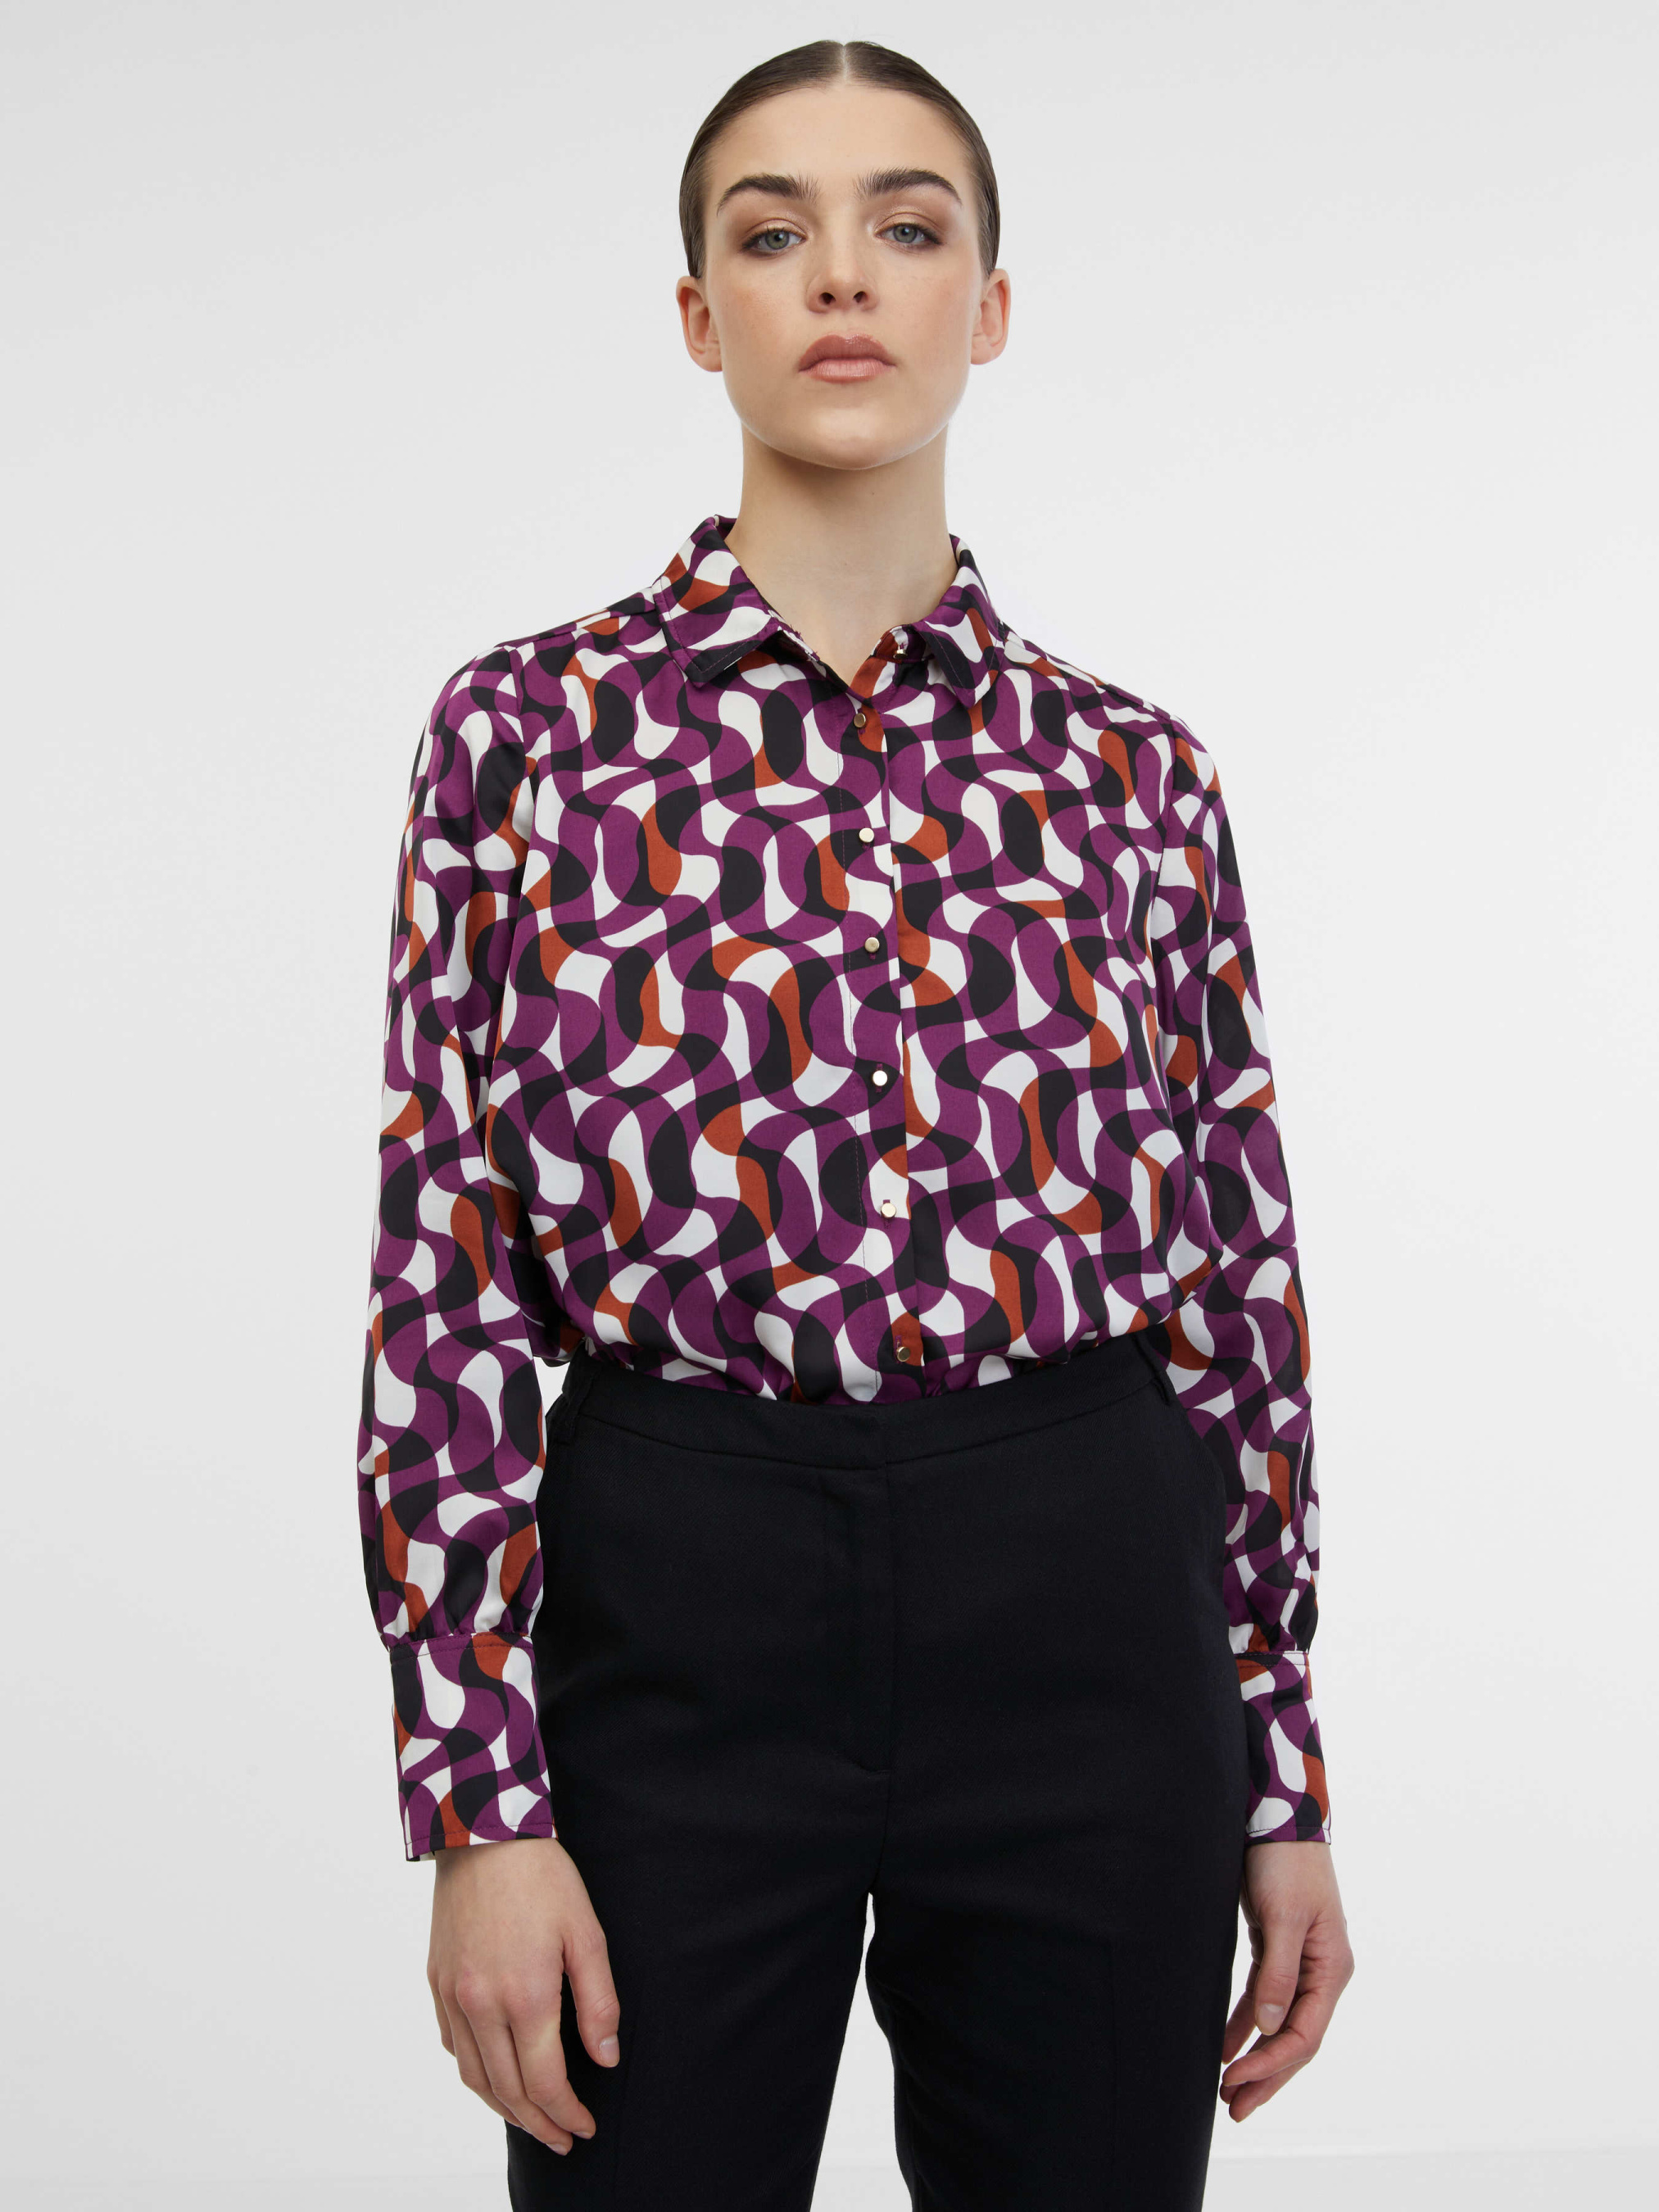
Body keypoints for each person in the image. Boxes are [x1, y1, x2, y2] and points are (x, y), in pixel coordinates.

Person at [356, 36, 1354, 2210]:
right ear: (694, 312)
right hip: (677, 1592)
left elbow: (1236, 1287)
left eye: (906, 226)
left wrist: (1277, 1771)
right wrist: (477, 1799)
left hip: (1087, 1596)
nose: (840, 276)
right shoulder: (529, 738)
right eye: (769, 230)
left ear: (985, 306)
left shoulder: (1130, 775)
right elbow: (445, 1279)